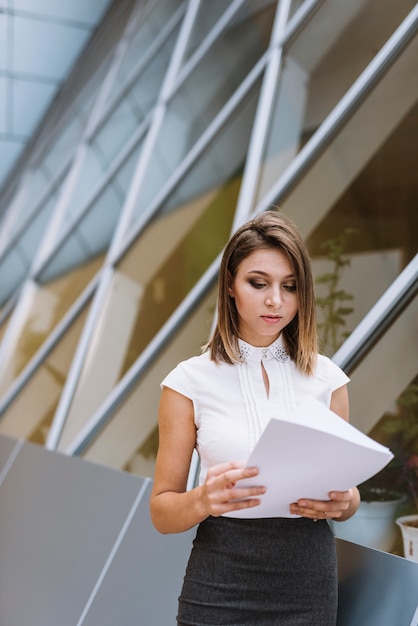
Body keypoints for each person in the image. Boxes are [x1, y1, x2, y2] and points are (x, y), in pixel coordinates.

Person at [150, 210, 360, 625]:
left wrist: (344, 502)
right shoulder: (187, 382)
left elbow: (348, 494)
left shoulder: (329, 380)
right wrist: (203, 499)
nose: (275, 301)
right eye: (258, 283)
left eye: (290, 287)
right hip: (220, 579)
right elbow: (162, 511)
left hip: (307, 582)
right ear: (230, 285)